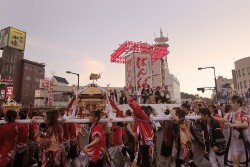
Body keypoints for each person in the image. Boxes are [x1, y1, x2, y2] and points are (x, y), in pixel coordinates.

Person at [214, 95, 249, 167]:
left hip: (245, 142)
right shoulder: (231, 113)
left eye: (233, 102)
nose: (231, 104)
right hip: (235, 142)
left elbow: (245, 124)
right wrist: (211, 117)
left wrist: (232, 125)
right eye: (231, 102)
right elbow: (223, 120)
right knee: (235, 163)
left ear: (238, 103)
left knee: (245, 164)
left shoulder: (243, 112)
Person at [124, 91, 154, 167]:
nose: (132, 113)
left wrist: (127, 96)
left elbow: (135, 107)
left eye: (133, 112)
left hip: (144, 148)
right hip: (142, 148)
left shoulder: (144, 120)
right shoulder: (141, 122)